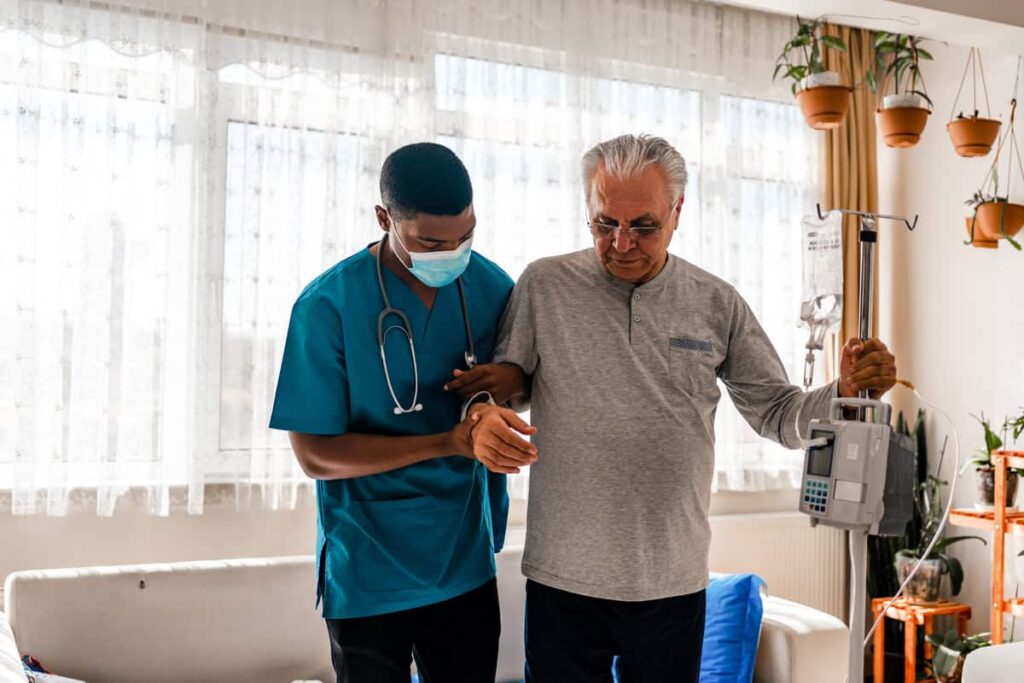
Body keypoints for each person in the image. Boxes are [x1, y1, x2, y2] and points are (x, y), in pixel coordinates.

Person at [449, 134, 898, 682]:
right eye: (603, 224)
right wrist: (481, 412)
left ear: (678, 212)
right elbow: (505, 384)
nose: (620, 244)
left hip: (672, 584)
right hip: (563, 580)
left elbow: (778, 413)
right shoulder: (545, 285)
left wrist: (845, 389)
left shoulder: (716, 302)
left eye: (643, 226)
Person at [269, 142, 536, 683]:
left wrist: (509, 387)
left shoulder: (493, 288)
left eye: (465, 236)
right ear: (383, 218)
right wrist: (447, 442)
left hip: (463, 560)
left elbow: (520, 386)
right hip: (369, 569)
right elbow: (316, 454)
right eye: (432, 242)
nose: (452, 253)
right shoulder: (328, 305)